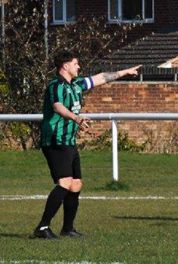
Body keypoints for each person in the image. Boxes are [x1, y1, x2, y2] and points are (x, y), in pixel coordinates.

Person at [33, 51, 140, 239]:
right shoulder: (55, 85)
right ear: (65, 66)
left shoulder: (76, 84)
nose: (79, 67)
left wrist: (125, 72)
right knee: (65, 183)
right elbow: (58, 106)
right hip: (55, 141)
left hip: (69, 141)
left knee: (75, 185)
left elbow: (101, 78)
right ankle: (42, 227)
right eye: (75, 64)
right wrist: (76, 118)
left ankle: (67, 229)